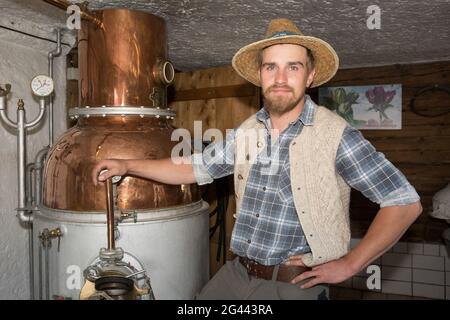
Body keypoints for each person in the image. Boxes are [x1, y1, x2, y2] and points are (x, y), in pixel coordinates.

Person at [92, 18, 422, 300]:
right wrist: (127, 165)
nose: (280, 78)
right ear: (260, 76)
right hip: (237, 273)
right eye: (271, 67)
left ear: (310, 76)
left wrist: (351, 263)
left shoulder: (335, 134)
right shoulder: (248, 131)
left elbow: (403, 202)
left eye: (293, 67)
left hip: (294, 284)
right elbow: (195, 167)